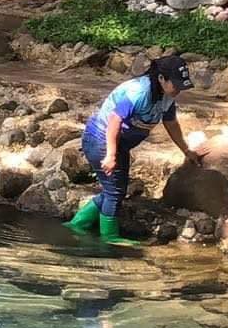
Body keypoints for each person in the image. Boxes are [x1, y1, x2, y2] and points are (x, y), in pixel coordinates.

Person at [65, 53, 197, 245]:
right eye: (175, 84)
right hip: (100, 139)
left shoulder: (167, 96)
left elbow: (171, 123)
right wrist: (110, 155)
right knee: (114, 191)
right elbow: (114, 121)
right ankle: (108, 239)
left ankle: (78, 224)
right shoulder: (139, 92)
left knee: (116, 189)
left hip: (120, 144)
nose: (178, 89)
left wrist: (186, 150)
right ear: (161, 78)